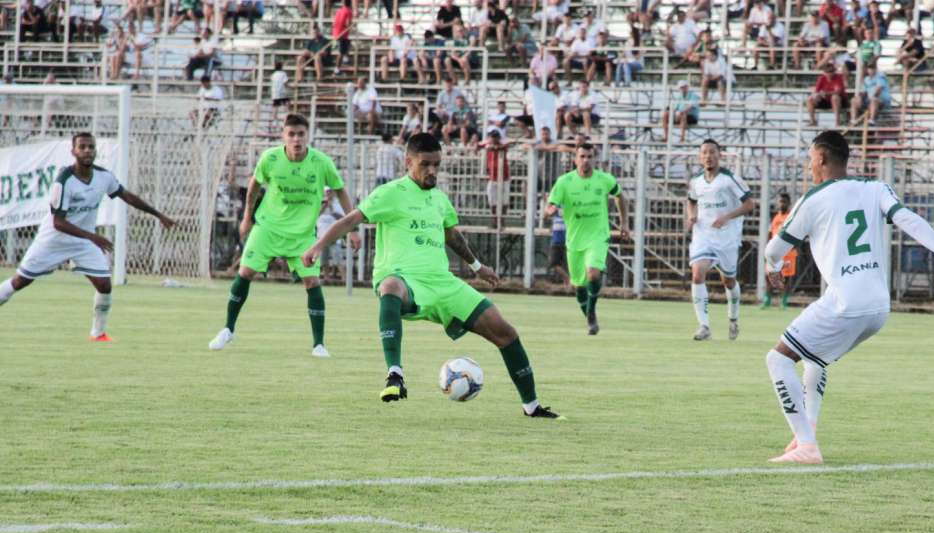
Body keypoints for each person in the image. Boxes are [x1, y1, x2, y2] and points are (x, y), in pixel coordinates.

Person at [302, 133, 561, 418]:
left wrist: (477, 267)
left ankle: (532, 407)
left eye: (437, 164)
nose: (432, 171)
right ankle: (395, 374)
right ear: (408, 162)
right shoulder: (390, 192)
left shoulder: (440, 200)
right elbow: (351, 219)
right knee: (389, 286)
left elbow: (453, 237)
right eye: (425, 164)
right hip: (404, 278)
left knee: (506, 332)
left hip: (442, 282)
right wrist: (317, 247)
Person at [762, 130, 934, 464]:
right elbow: (906, 219)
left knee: (779, 359)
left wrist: (773, 267)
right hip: (878, 307)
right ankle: (806, 431)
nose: (809, 164)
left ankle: (807, 446)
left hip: (846, 302)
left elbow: (774, 249)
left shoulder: (812, 199)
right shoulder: (875, 188)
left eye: (811, 157)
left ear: (822, 158)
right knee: (815, 358)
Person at [208, 114, 361, 357]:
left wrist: (352, 228)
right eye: (291, 134)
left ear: (307, 135)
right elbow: (254, 187)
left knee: (312, 281)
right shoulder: (270, 158)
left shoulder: (321, 163)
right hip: (268, 228)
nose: (296, 139)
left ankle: (318, 344)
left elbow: (341, 192)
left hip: (302, 234)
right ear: (284, 136)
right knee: (245, 272)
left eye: (301, 134)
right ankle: (228, 329)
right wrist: (247, 217)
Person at [0, 133, 175, 340]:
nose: (87, 151)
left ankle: (98, 333)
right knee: (21, 281)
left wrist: (158, 214)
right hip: (53, 239)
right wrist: (93, 237)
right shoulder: (64, 181)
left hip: (83, 241)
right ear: (73, 151)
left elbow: (126, 195)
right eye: (82, 147)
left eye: (90, 147)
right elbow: (59, 222)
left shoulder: (103, 176)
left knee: (104, 284)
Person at [545, 142, 628, 335]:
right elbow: (550, 205)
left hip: (598, 236)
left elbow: (619, 196)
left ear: (594, 159)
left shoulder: (604, 179)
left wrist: (624, 223)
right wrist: (549, 210)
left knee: (593, 273)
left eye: (589, 157)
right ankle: (590, 316)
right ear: (575, 159)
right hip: (574, 240)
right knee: (578, 286)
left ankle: (591, 314)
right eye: (582, 156)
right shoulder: (565, 182)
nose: (586, 160)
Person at [686, 139, 755, 341]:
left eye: (712, 152)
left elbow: (750, 204)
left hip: (727, 238)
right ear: (700, 157)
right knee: (698, 273)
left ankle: (733, 318)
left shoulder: (730, 179)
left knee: (729, 281)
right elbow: (691, 201)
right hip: (703, 235)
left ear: (720, 155)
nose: (708, 156)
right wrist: (691, 216)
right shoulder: (696, 181)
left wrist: (727, 216)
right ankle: (704, 326)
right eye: (704, 152)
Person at [762, 192, 796, 309]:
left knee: (786, 278)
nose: (782, 204)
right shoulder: (776, 217)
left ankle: (784, 302)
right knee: (769, 275)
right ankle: (767, 300)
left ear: (789, 203)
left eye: (784, 202)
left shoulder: (791, 217)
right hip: (774, 253)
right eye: (780, 201)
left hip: (788, 253)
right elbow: (770, 233)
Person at [481, 129, 511, 222]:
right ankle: (495, 219)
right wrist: (488, 145)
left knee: (504, 200)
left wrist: (492, 147)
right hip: (493, 177)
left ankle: (502, 219)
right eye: (492, 137)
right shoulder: (488, 144)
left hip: (504, 177)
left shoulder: (503, 144)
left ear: (498, 138)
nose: (493, 139)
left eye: (495, 137)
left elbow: (503, 147)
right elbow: (477, 145)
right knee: (491, 198)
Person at [806, 61, 846, 126]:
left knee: (835, 97)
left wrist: (826, 93)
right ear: (824, 72)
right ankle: (812, 121)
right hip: (825, 100)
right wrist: (817, 96)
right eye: (828, 72)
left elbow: (838, 92)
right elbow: (817, 91)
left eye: (831, 71)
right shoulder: (821, 78)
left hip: (839, 101)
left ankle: (837, 122)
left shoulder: (838, 78)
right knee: (810, 99)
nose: (830, 73)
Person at [662, 79, 700, 144]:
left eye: (684, 87)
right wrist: (672, 112)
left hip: (692, 117)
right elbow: (674, 108)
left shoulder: (693, 95)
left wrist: (680, 113)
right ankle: (666, 137)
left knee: (683, 115)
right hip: (680, 115)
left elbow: (690, 107)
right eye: (681, 87)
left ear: (687, 87)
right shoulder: (679, 97)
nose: (682, 89)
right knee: (665, 114)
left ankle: (682, 138)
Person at [330, 0, 353, 74]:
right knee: (341, 52)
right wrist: (350, 26)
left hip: (336, 32)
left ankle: (345, 59)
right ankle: (337, 69)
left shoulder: (339, 10)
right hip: (342, 33)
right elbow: (348, 23)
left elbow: (334, 22)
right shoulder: (348, 11)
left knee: (348, 43)